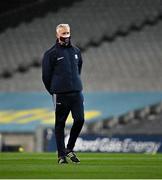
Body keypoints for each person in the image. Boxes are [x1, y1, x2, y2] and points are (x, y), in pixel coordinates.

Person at [42, 24, 84, 164]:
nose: (66, 36)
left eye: (67, 33)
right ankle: (61, 156)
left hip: (76, 93)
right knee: (60, 123)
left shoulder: (76, 51)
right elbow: (46, 77)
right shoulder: (51, 54)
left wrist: (74, 84)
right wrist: (54, 91)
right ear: (57, 35)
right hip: (60, 94)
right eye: (63, 33)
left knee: (80, 119)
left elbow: (78, 69)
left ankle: (69, 148)